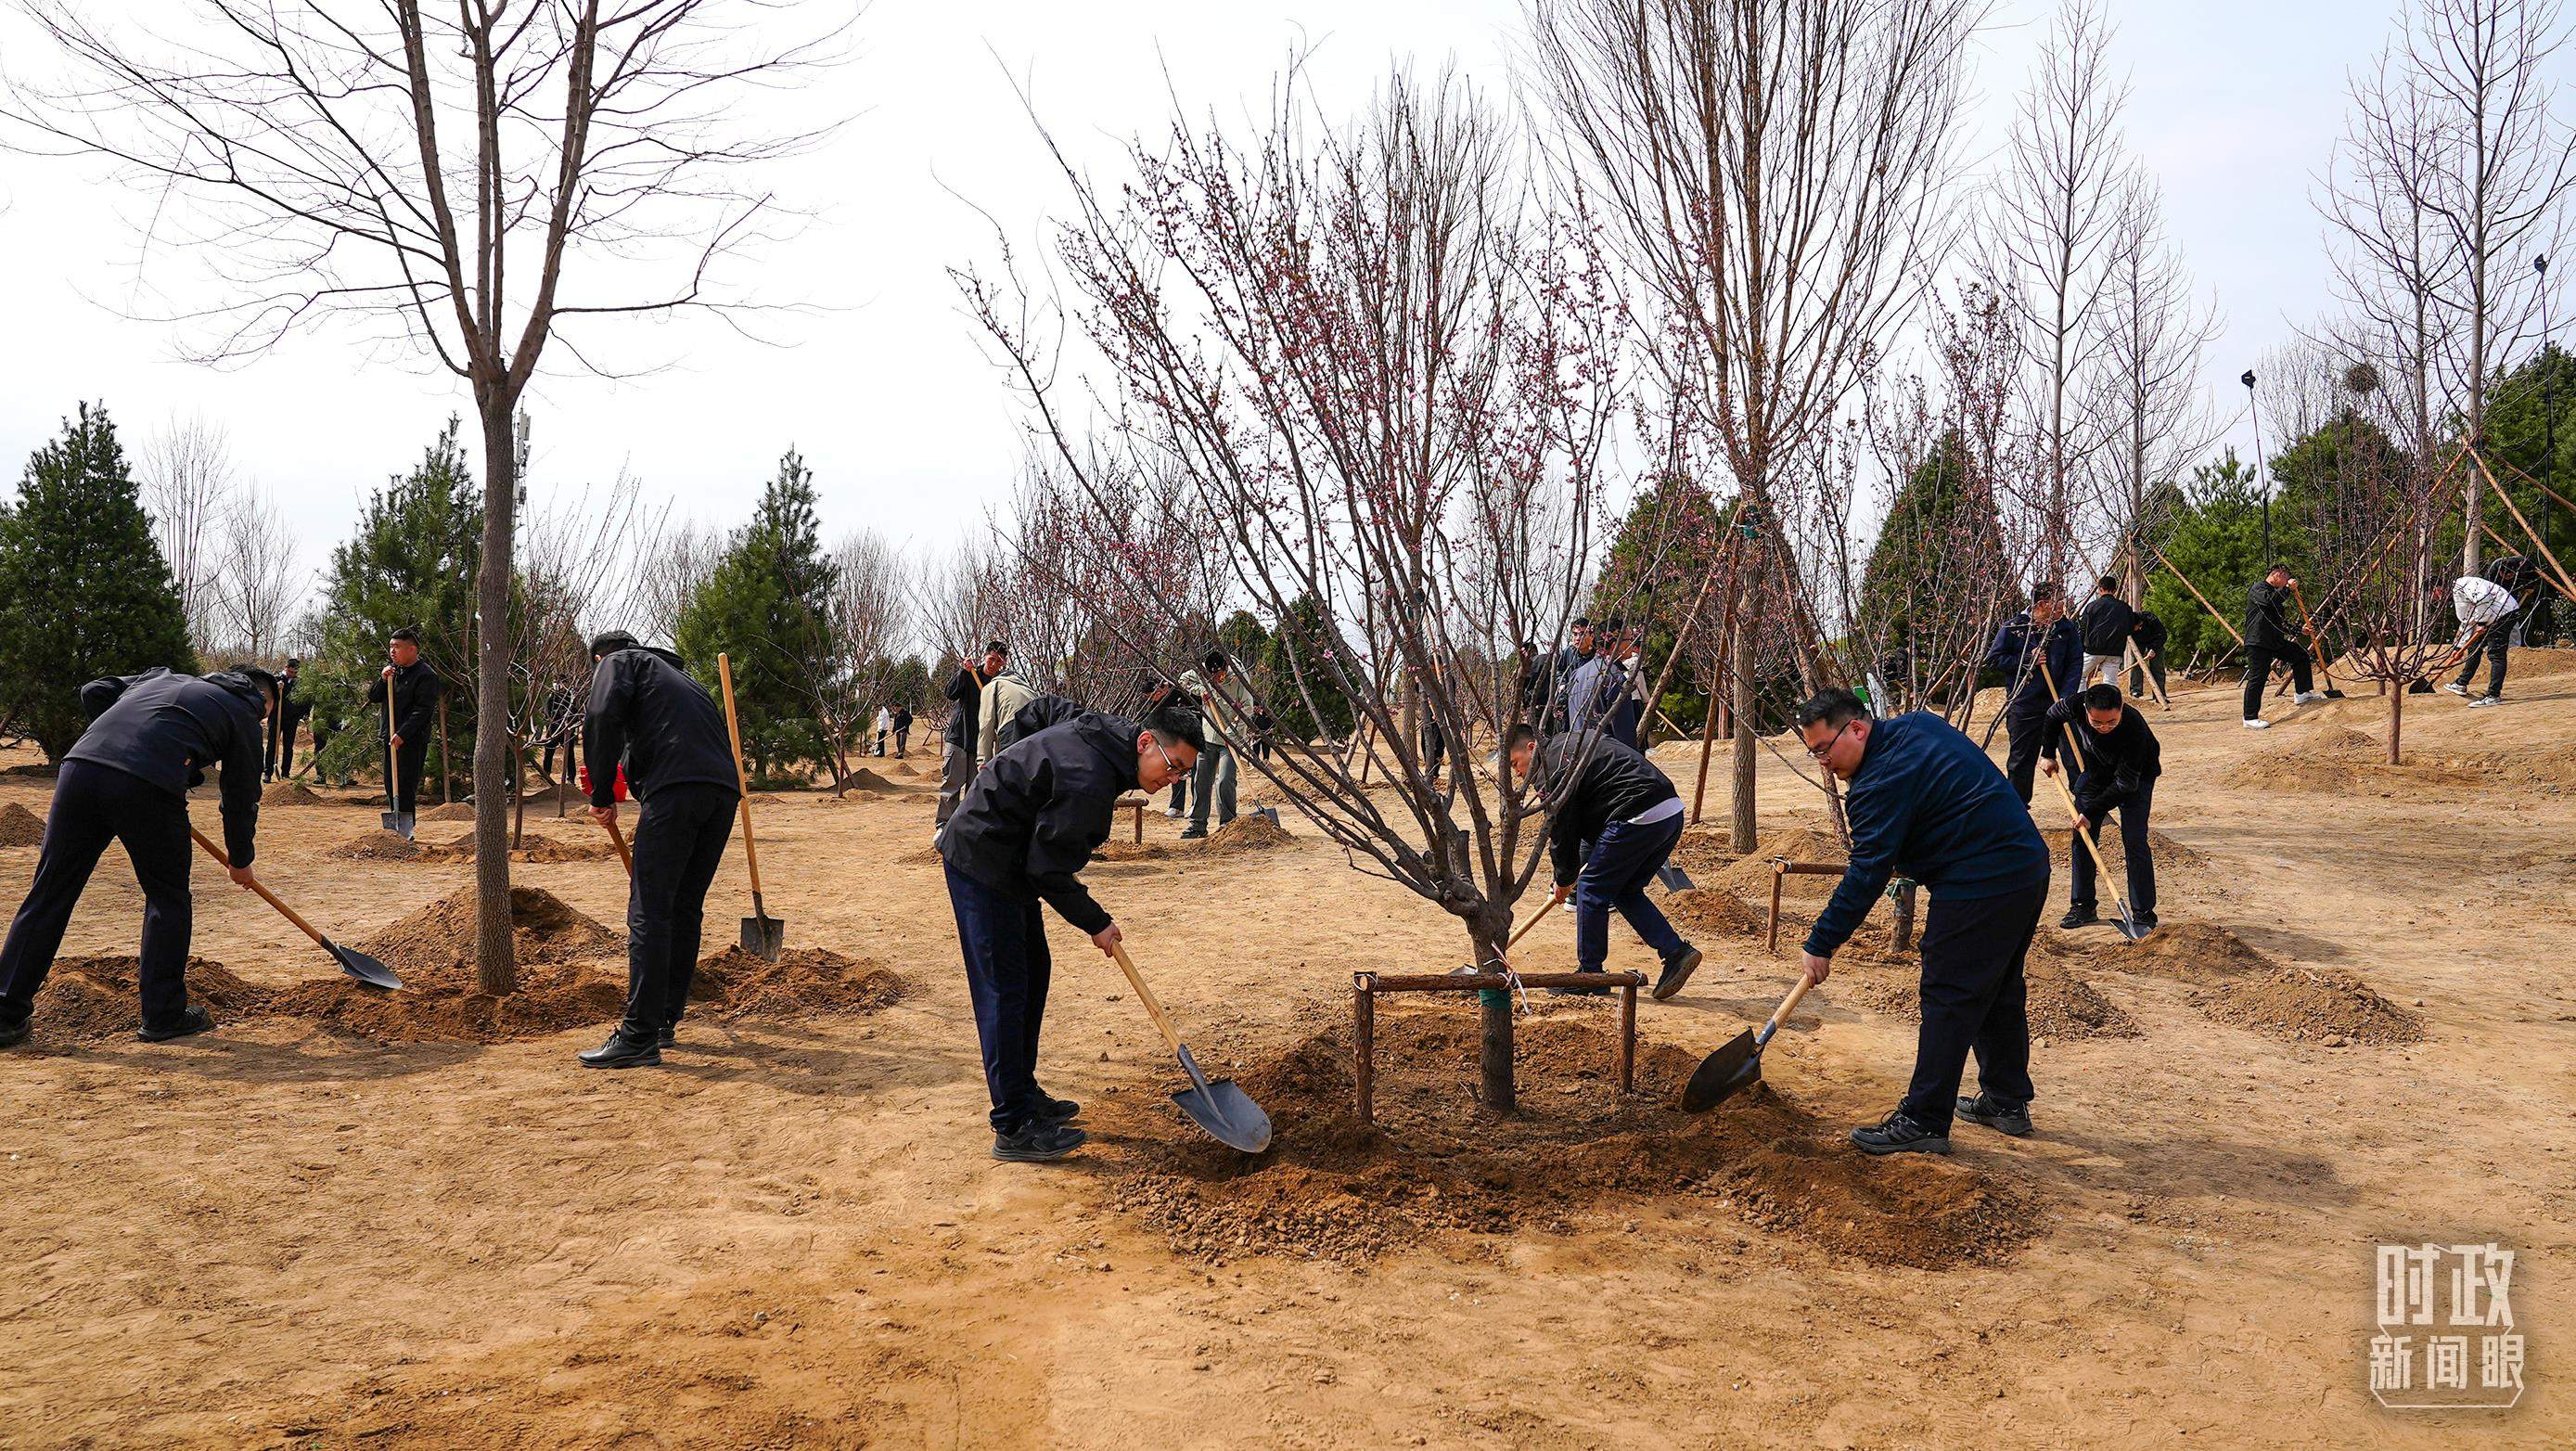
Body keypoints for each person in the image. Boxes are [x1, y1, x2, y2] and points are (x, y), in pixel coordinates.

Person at [939, 694, 1204, 1162]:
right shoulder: (1089, 784)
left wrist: (1009, 760)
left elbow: (1041, 710)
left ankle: (1022, 1092)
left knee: (1033, 973)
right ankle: (1013, 1126)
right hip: (983, 858)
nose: (1173, 779)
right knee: (1004, 989)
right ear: (1146, 742)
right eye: (1173, 765)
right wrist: (1097, 923)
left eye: (1183, 772)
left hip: (1012, 857)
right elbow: (1049, 871)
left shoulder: (1105, 732)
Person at [1793, 688, 2053, 1155]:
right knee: (1998, 986)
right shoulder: (1918, 724)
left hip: (1983, 878)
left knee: (1948, 992)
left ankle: (1924, 1119)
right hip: (2026, 864)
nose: (1823, 765)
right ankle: (2006, 1100)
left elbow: (1867, 871)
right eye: (1814, 754)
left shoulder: (1878, 783)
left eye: (1823, 750)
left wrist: (1822, 942)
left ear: (1857, 728)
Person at [0, 666, 276, 1049]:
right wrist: (240, 858)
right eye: (267, 712)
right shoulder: (242, 712)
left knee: (49, 893)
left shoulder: (161, 677)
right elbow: (241, 795)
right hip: (148, 787)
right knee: (167, 897)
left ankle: (5, 1015)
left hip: (80, 770)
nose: (263, 718)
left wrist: (125, 746)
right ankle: (163, 1014)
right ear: (261, 699)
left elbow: (94, 690)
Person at [575, 633, 742, 1069]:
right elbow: (649, 742)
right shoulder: (681, 680)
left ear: (599, 658)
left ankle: (638, 1035)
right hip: (721, 794)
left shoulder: (618, 663)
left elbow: (601, 715)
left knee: (650, 909)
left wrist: (599, 791)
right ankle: (665, 1017)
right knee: (684, 907)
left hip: (677, 791)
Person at [1502, 725, 1701, 1001]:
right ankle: (1675, 952)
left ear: (1532, 748)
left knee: (1591, 890)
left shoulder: (1554, 768)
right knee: (1624, 890)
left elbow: (1563, 827)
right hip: (1668, 811)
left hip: (1635, 812)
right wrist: (1567, 874)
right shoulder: (1572, 742)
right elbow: (1586, 830)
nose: (1518, 774)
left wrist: (1564, 879)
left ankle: (1590, 975)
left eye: (1516, 763)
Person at [2043, 683, 2162, 931]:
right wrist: (2048, 753)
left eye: (2111, 722)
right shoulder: (2075, 704)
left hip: (2136, 778)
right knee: (2082, 835)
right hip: (2099, 769)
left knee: (2134, 839)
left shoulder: (2134, 729)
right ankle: (2082, 906)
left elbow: (2125, 785)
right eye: (2097, 723)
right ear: (2086, 710)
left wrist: (2090, 812)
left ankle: (2143, 914)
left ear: (2121, 709)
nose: (2104, 728)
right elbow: (2053, 715)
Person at [1984, 583, 2083, 805]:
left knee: (2075, 755)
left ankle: (2086, 805)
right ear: (2041, 604)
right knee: (2021, 760)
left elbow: (2075, 663)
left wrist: (2065, 697)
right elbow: (1993, 659)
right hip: (2025, 704)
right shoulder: (2014, 629)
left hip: (2059, 703)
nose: (2062, 606)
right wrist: (2027, 660)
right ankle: (2018, 810)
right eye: (2058, 601)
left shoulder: (2066, 629)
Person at [1177, 650, 1254, 840]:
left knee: (1225, 780)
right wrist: (1201, 691)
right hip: (1209, 735)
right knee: (1202, 781)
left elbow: (1247, 708)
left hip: (1231, 738)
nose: (1216, 679)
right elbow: (1183, 680)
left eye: (1219, 676)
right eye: (1212, 677)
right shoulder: (1203, 672)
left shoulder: (1239, 677)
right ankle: (1197, 825)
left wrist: (1230, 734)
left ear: (1225, 669)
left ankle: (1227, 825)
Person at [2241, 564, 2326, 728]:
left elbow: (2279, 622)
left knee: (2300, 656)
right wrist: (2287, 589)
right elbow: (2269, 602)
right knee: (2258, 677)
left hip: (2274, 640)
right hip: (2258, 641)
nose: (2287, 581)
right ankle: (2249, 718)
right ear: (2277, 575)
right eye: (2286, 577)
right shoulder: (2258, 589)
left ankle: (2302, 693)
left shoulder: (2275, 593)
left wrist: (2299, 630)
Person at [938, 642, 1006, 836]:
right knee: (951, 785)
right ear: (984, 657)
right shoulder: (970, 674)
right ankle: (944, 826)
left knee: (974, 789)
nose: (993, 664)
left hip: (981, 744)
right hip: (959, 737)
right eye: (991, 659)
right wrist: (962, 671)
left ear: (1003, 664)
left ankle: (965, 829)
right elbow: (950, 693)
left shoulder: (999, 685)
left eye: (998, 661)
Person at [379, 627, 442, 835]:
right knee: (390, 784)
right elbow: (373, 697)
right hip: (390, 738)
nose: (392, 651)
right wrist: (382, 679)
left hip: (411, 741)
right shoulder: (393, 673)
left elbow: (422, 711)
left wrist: (403, 734)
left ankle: (406, 831)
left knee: (405, 786)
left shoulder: (426, 675)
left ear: (412, 649)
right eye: (391, 647)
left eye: (397, 647)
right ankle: (395, 829)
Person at [2438, 573, 2522, 706]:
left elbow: (2483, 598)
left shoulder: (2464, 585)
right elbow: (2467, 620)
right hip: (2491, 615)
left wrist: (2482, 623)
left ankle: (2493, 695)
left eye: (2433, 593)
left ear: (2438, 588)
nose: (2435, 597)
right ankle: (2461, 684)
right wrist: (2459, 647)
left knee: (2496, 654)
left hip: (2504, 613)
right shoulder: (2459, 592)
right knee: (2474, 648)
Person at [2076, 576, 2137, 689]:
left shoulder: (2091, 606)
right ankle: (2110, 705)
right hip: (2115, 650)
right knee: (2110, 682)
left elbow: (2083, 629)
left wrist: (2081, 647)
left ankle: (2081, 703)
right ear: (2115, 589)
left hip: (2093, 649)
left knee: (2080, 677)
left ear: (2100, 589)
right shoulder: (2125, 608)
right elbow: (2129, 629)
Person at [976, 661, 1039, 768]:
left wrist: (983, 761)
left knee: (1009, 777)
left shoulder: (993, 685)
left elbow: (986, 725)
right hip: (1039, 732)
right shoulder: (1029, 689)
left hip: (1013, 729)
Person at [264, 657, 312, 781]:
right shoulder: (275, 679)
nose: (293, 675)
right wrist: (276, 687)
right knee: (272, 745)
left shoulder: (301, 683)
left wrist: (303, 715)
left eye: (296, 673)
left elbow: (306, 701)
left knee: (288, 746)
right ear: (286, 668)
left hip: (291, 719)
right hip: (276, 717)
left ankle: (286, 773)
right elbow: (266, 695)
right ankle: (268, 772)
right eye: (291, 672)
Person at [2128, 610, 2169, 703]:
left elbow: (2163, 635)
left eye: (2136, 627)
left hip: (2155, 642)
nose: (2136, 629)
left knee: (2157, 667)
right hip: (2138, 644)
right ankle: (2136, 691)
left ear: (2141, 623)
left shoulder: (2151, 619)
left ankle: (2160, 694)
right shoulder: (2128, 622)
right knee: (2136, 665)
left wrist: (2153, 649)